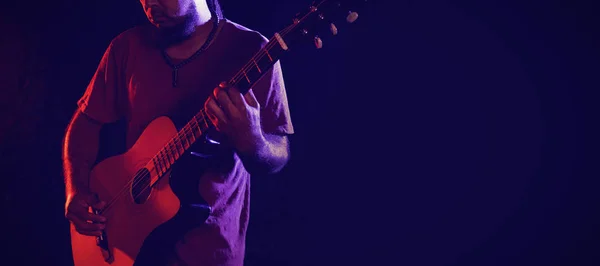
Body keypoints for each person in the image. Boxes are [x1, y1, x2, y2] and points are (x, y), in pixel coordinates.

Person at [62, 0, 294, 265]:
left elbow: (280, 151)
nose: (149, 5)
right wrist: (76, 189)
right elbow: (84, 123)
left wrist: (253, 140)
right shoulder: (126, 48)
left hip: (210, 253)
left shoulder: (252, 51)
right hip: (128, 249)